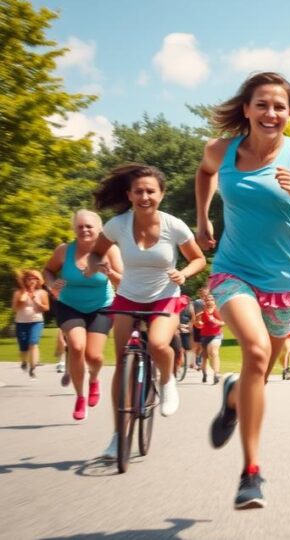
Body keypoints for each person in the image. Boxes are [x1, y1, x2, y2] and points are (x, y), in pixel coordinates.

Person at [196, 72, 290, 509]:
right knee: (257, 354)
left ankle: (232, 395)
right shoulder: (220, 151)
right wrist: (203, 218)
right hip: (232, 271)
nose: (270, 113)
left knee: (256, 375)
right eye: (261, 104)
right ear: (246, 109)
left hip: (283, 285)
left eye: (279, 106)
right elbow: (204, 174)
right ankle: (252, 473)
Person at [89, 163, 206, 459]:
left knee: (157, 344)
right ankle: (118, 436)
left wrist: (185, 274)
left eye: (150, 191)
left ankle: (167, 381)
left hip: (164, 296)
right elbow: (96, 252)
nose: (144, 197)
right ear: (129, 194)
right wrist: (95, 264)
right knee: (121, 363)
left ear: (161, 194)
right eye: (138, 191)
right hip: (128, 296)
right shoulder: (117, 225)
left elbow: (199, 259)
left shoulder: (174, 225)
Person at [44, 210, 120, 420]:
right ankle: (80, 397)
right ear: (74, 229)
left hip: (101, 307)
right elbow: (48, 270)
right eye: (80, 226)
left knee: (93, 356)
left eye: (89, 226)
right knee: (76, 347)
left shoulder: (110, 250)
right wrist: (51, 284)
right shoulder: (64, 251)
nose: (85, 230)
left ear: (99, 229)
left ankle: (94, 379)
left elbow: (123, 281)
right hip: (69, 305)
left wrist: (110, 273)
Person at [12, 269, 50, 379]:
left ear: (38, 280)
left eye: (35, 278)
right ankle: (24, 361)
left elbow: (46, 308)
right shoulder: (18, 293)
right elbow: (15, 308)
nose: (32, 281)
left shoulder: (42, 293)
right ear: (25, 280)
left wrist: (35, 300)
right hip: (21, 322)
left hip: (36, 321)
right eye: (29, 278)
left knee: (34, 343)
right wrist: (22, 298)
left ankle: (33, 368)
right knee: (23, 347)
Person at [195, 294, 224, 384]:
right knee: (205, 357)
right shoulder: (201, 313)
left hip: (216, 335)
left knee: (214, 352)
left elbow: (223, 323)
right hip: (204, 336)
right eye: (207, 300)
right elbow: (196, 324)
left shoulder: (218, 311)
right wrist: (198, 324)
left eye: (211, 299)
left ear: (214, 300)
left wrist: (214, 321)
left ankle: (216, 374)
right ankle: (205, 374)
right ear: (204, 302)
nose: (209, 301)